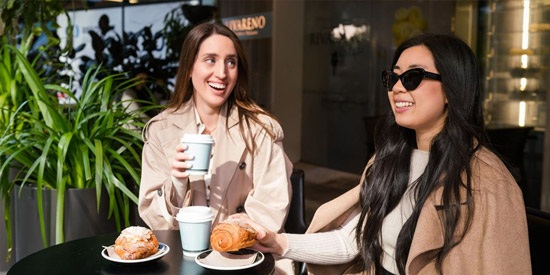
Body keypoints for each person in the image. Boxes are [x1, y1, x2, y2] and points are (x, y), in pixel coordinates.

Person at [231, 34, 531, 275]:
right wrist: (276, 243)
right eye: (393, 78)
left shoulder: (487, 182)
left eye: (413, 77)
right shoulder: (389, 160)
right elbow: (356, 241)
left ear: (452, 89)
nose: (397, 88)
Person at [138, 22, 293, 273]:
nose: (222, 72)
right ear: (189, 67)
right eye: (210, 60)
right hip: (182, 261)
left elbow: (270, 211)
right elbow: (154, 220)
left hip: (250, 259)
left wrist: (227, 242)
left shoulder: (262, 129)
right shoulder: (160, 131)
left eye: (230, 62)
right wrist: (177, 182)